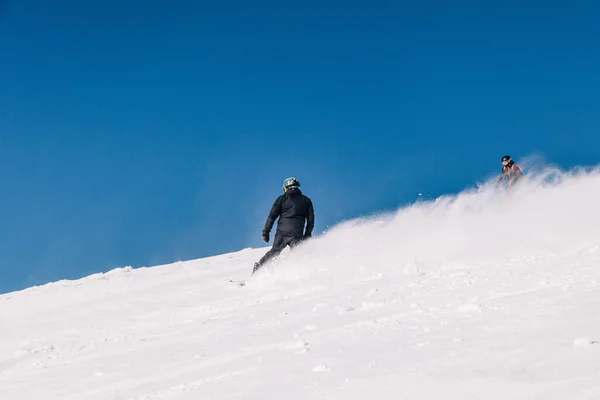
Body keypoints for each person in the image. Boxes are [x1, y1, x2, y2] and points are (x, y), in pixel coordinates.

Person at [253, 177, 314, 274]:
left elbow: (272, 216)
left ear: (286, 188)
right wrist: (307, 234)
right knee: (297, 255)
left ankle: (258, 270)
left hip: (282, 233)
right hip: (297, 234)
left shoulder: (282, 199)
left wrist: (266, 231)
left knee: (274, 252)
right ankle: (297, 275)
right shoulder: (306, 201)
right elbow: (310, 220)